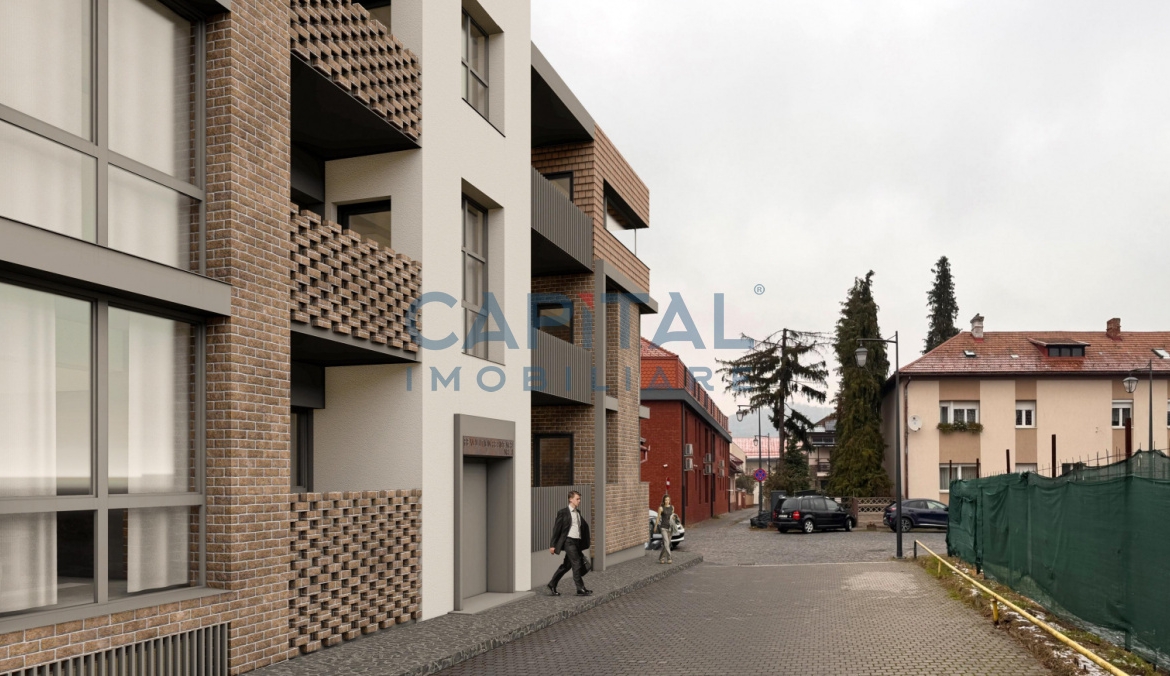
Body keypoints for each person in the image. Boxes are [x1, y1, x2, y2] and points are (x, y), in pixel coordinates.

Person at [547, 490, 592, 596]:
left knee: (567, 566)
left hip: (576, 542)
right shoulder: (563, 512)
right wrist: (552, 545)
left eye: (580, 499)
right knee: (577, 563)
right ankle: (580, 588)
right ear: (570, 499)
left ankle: (552, 584)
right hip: (569, 541)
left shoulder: (578, 512)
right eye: (577, 499)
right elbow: (556, 529)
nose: (579, 501)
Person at [656, 494, 675, 564]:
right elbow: (658, 517)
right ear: (663, 501)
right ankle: (669, 558)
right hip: (663, 527)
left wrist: (674, 519)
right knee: (666, 542)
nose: (667, 501)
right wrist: (655, 526)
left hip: (670, 528)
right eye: (666, 500)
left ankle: (661, 558)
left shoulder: (672, 507)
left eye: (668, 500)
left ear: (669, 500)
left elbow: (672, 517)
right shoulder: (661, 508)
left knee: (667, 544)